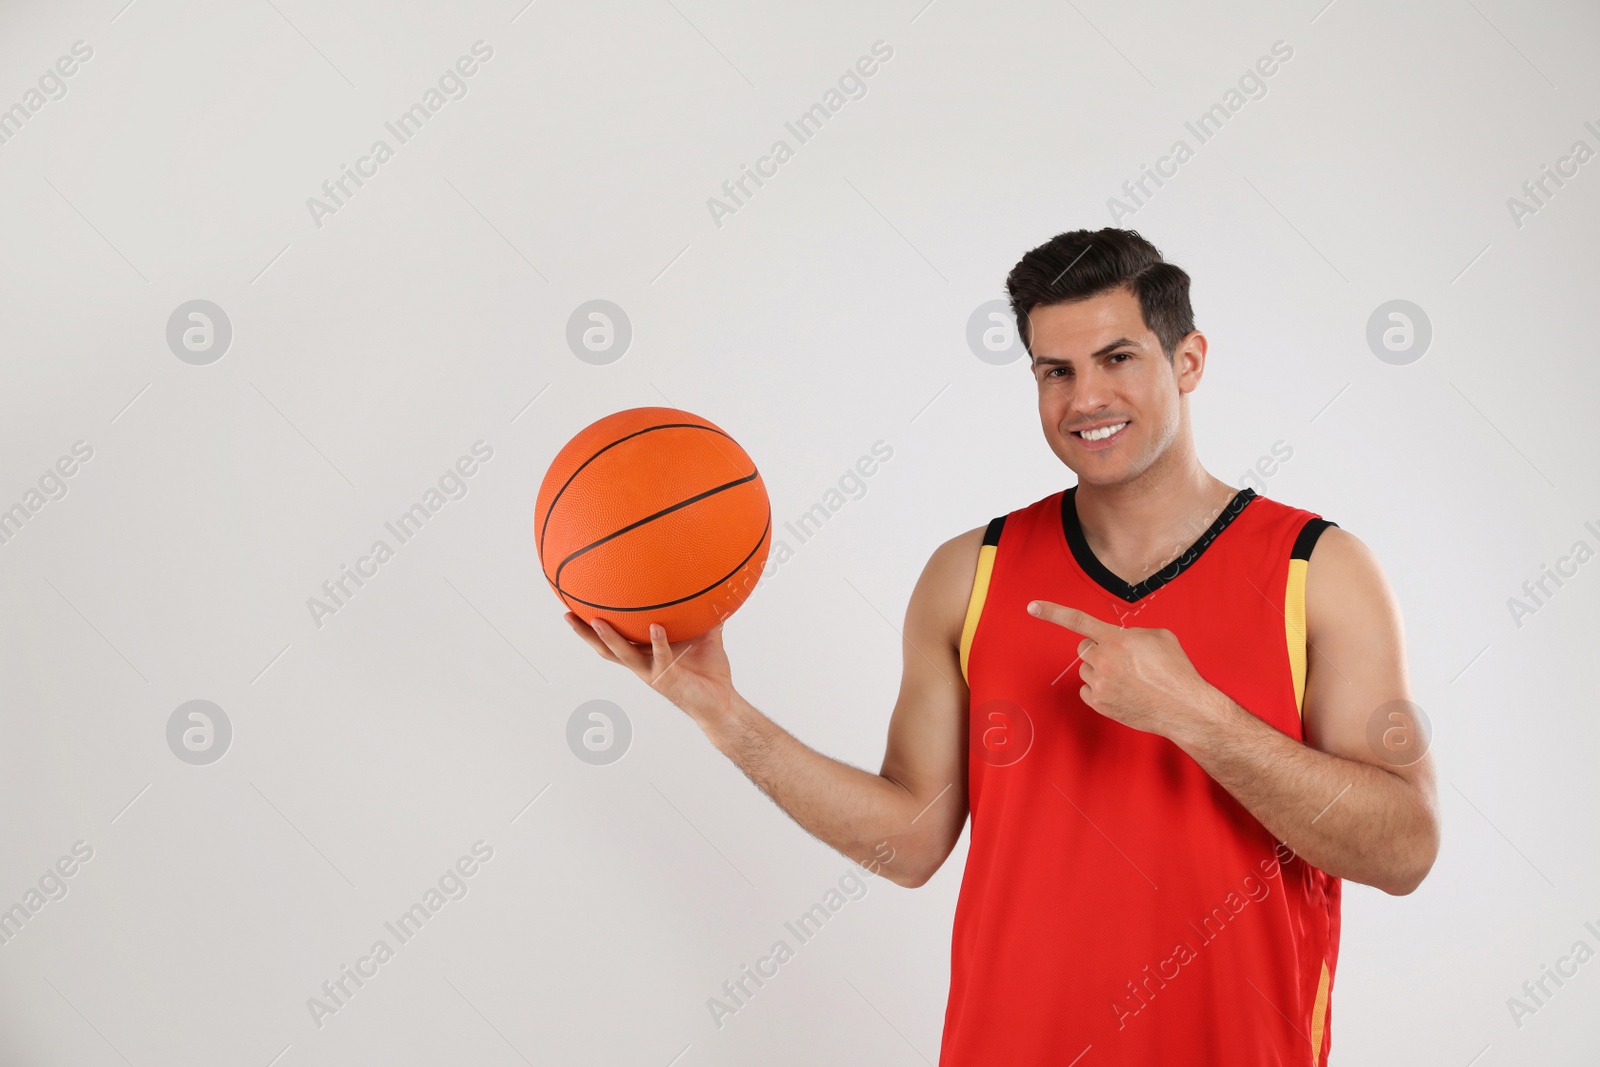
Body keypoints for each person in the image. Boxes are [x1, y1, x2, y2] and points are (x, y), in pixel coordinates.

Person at [565, 227, 1440, 1064]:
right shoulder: (968, 575)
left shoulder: (1317, 570)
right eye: (1054, 370)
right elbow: (909, 841)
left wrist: (1199, 716)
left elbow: (1404, 847)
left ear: (1188, 361)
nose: (1085, 398)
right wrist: (723, 714)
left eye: (1117, 359)